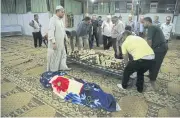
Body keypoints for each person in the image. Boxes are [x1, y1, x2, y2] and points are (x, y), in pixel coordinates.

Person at [143, 17, 168, 88]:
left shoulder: (151, 27)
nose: (143, 24)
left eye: (143, 22)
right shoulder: (153, 27)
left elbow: (149, 40)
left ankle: (153, 79)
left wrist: (147, 51)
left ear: (148, 22)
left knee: (156, 64)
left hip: (160, 48)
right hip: (158, 48)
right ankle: (151, 75)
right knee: (152, 61)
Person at [47, 5, 71, 72]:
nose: (63, 13)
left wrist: (66, 38)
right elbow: (51, 31)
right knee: (55, 57)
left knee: (63, 55)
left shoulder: (60, 20)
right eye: (62, 12)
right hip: (55, 43)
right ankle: (53, 70)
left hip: (61, 42)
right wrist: (53, 42)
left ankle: (62, 67)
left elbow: (63, 31)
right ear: (57, 12)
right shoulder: (53, 20)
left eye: (64, 12)